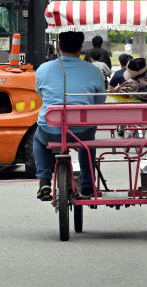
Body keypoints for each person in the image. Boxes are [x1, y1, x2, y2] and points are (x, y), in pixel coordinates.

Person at [34, 31, 106, 201]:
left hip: (50, 129)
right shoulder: (93, 71)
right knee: (87, 143)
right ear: (81, 47)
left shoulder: (43, 69)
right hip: (81, 131)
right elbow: (100, 100)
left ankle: (44, 179)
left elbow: (41, 94)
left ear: (59, 46)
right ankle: (87, 184)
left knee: (38, 139)